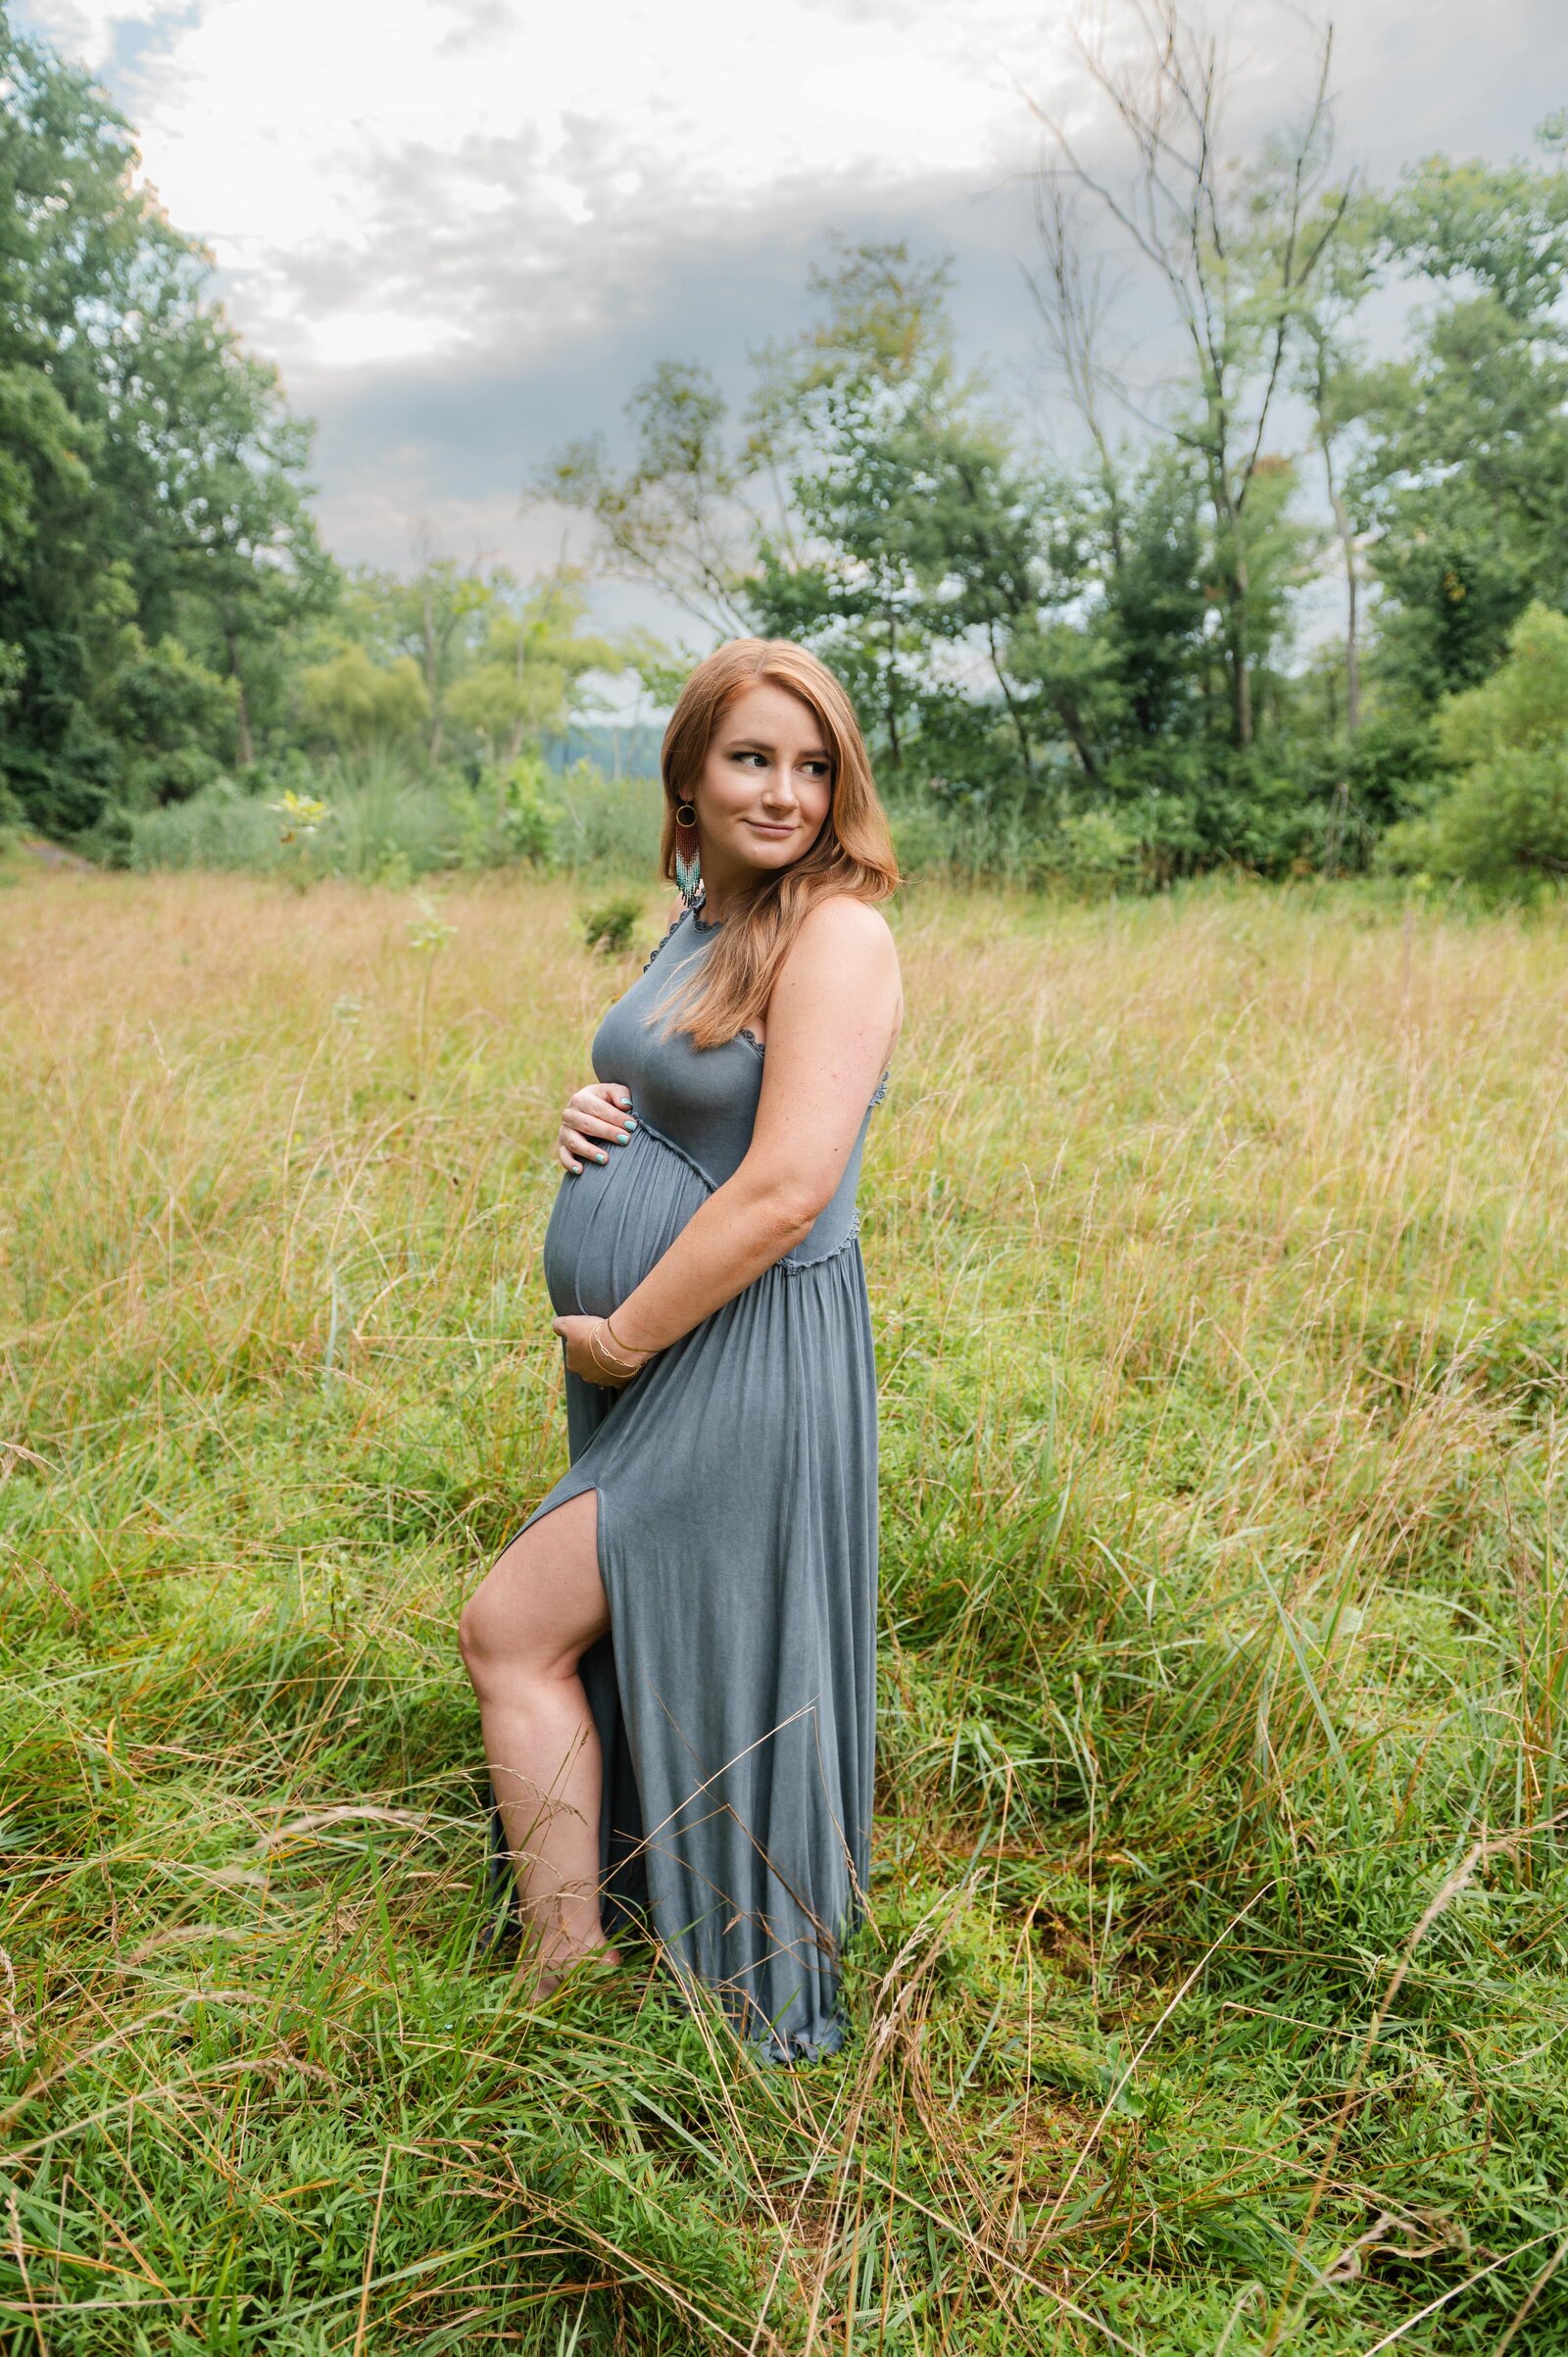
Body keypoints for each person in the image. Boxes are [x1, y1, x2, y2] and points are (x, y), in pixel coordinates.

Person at [458, 637, 903, 2063]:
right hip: (667, 1353)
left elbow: (785, 1187)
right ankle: (635, 1899)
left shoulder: (837, 931)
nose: (783, 791)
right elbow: (682, 1085)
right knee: (628, 1624)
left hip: (737, 1355)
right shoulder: (707, 912)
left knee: (511, 1628)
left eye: (812, 763)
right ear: (689, 776)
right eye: (752, 758)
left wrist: (624, 1336)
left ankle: (564, 1971)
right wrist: (600, 1117)